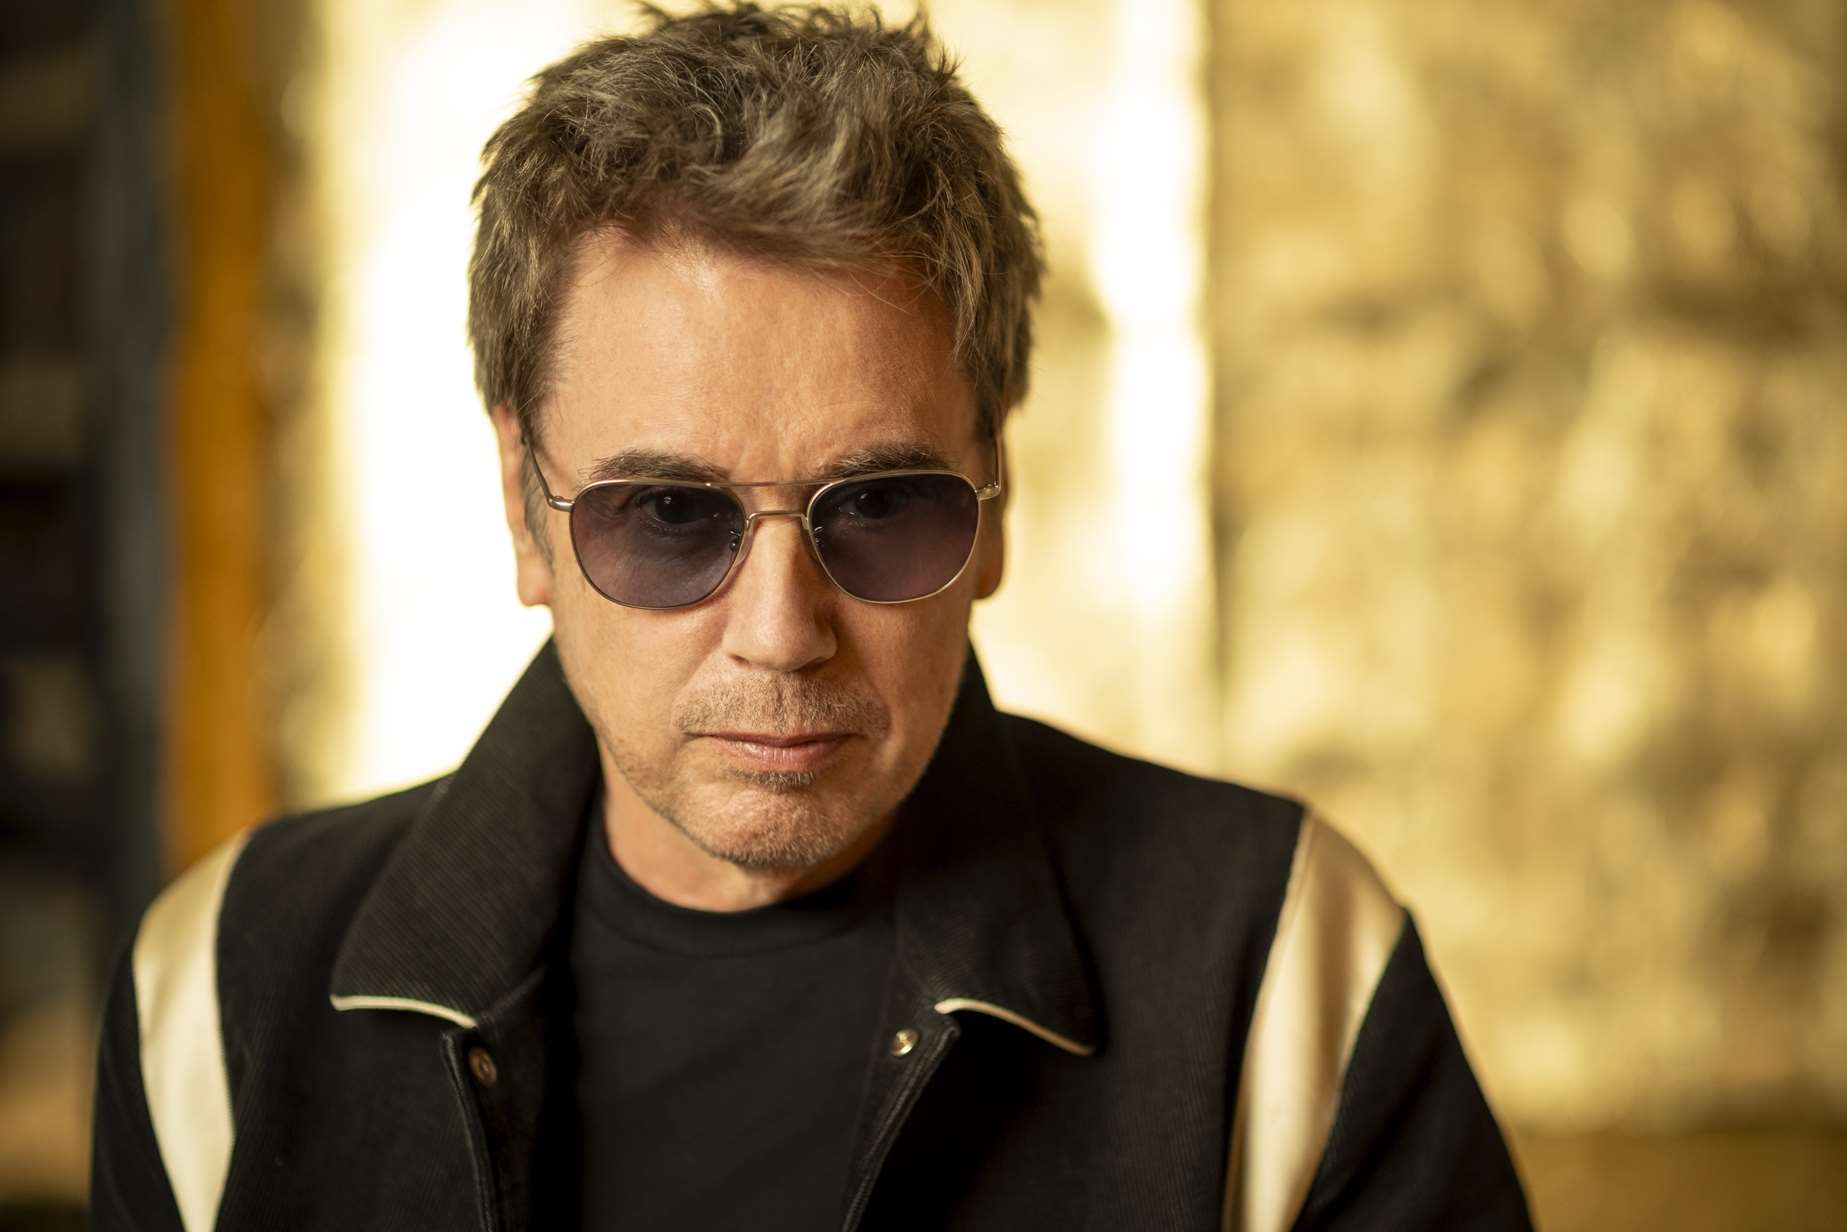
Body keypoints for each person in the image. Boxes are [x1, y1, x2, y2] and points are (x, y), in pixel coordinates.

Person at [91, 4, 1530, 1228]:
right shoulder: (222, 995)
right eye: (669, 516)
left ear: (997, 505)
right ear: (526, 513)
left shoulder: (1280, 973)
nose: (781, 632)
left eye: (882, 507)